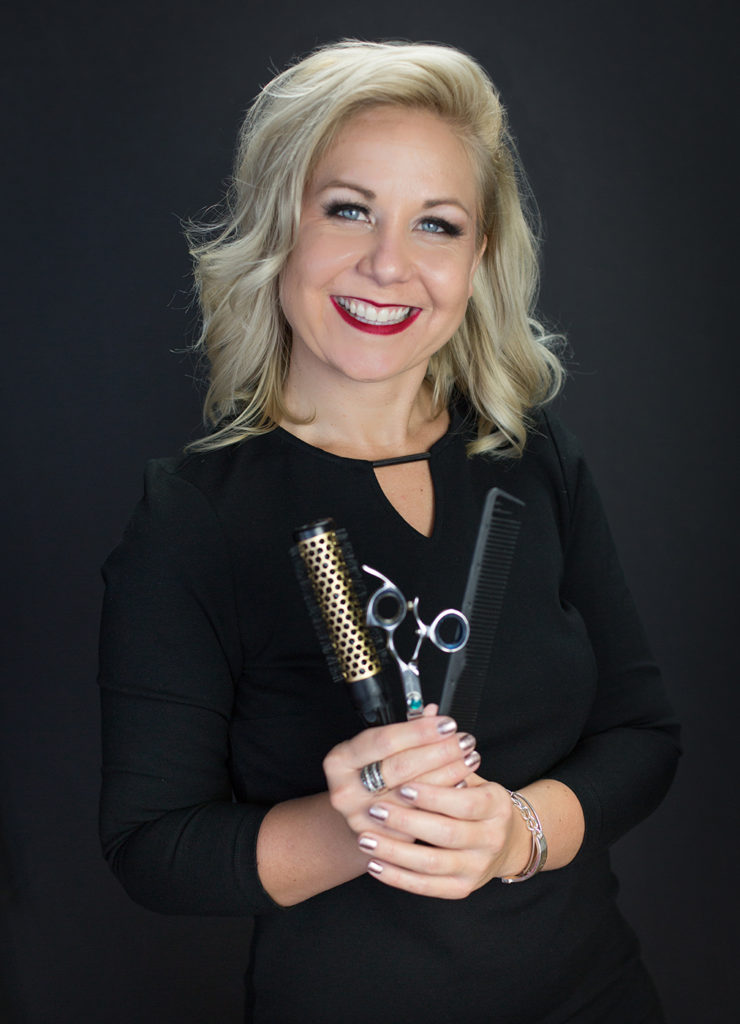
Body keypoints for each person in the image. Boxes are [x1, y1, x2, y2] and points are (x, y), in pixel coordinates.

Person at [98, 40, 680, 1023]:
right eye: (348, 209)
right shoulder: (193, 516)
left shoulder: (532, 456)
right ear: (280, 223)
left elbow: (642, 733)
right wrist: (355, 827)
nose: (388, 264)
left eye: (435, 224)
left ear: (477, 258)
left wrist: (516, 832)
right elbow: (153, 848)